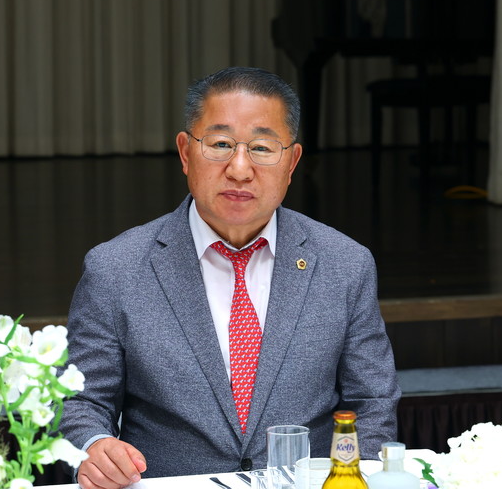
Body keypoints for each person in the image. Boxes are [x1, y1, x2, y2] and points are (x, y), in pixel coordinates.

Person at [60, 67, 401, 489]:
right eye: (220, 144)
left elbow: (372, 402)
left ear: (292, 162)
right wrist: (93, 446)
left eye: (262, 148)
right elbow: (80, 400)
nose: (240, 169)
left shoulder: (344, 264)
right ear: (186, 152)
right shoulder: (116, 268)